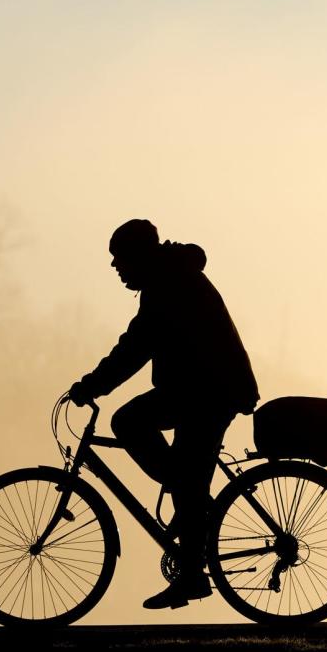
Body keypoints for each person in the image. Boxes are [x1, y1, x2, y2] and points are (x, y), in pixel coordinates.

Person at [68, 219, 259, 610]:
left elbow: (135, 347)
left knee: (130, 425)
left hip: (209, 392)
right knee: (173, 466)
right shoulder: (169, 278)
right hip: (197, 390)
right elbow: (138, 345)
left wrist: (92, 385)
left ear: (139, 256)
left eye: (119, 259)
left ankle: (192, 566)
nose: (116, 268)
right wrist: (96, 382)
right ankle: (193, 506)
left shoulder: (169, 285)